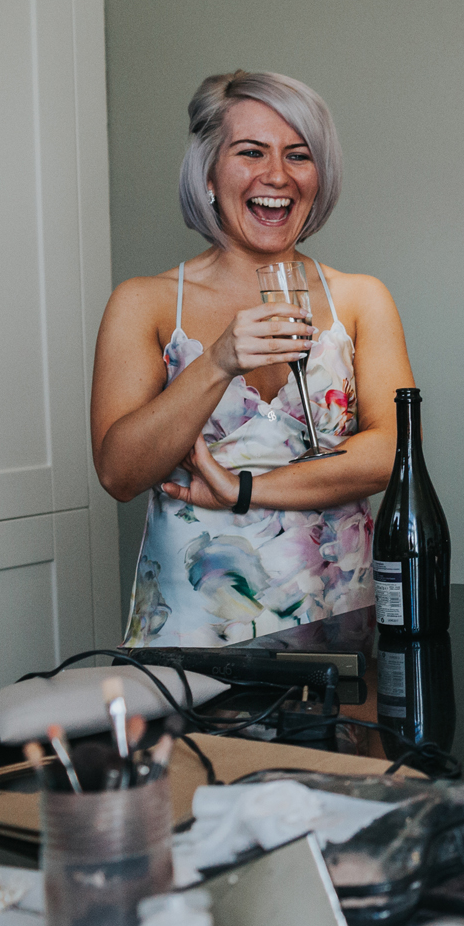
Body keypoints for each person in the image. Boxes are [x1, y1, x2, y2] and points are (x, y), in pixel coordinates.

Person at [91, 71, 413, 647]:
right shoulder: (146, 303)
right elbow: (120, 472)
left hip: (339, 615)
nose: (278, 176)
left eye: (299, 155)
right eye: (251, 152)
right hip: (196, 628)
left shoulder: (361, 299)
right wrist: (217, 362)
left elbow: (390, 455)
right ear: (209, 173)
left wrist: (240, 489)